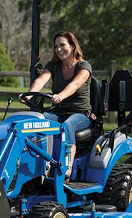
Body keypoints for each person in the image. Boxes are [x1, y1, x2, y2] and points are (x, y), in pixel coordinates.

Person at [19, 31, 92, 182]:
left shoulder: (84, 66)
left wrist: (61, 96)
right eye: (56, 46)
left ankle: (67, 167)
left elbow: (75, 84)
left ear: (72, 46)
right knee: (38, 120)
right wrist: (29, 94)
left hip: (80, 114)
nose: (59, 49)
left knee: (66, 125)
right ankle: (35, 165)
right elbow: (40, 80)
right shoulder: (53, 66)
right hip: (58, 112)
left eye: (62, 45)